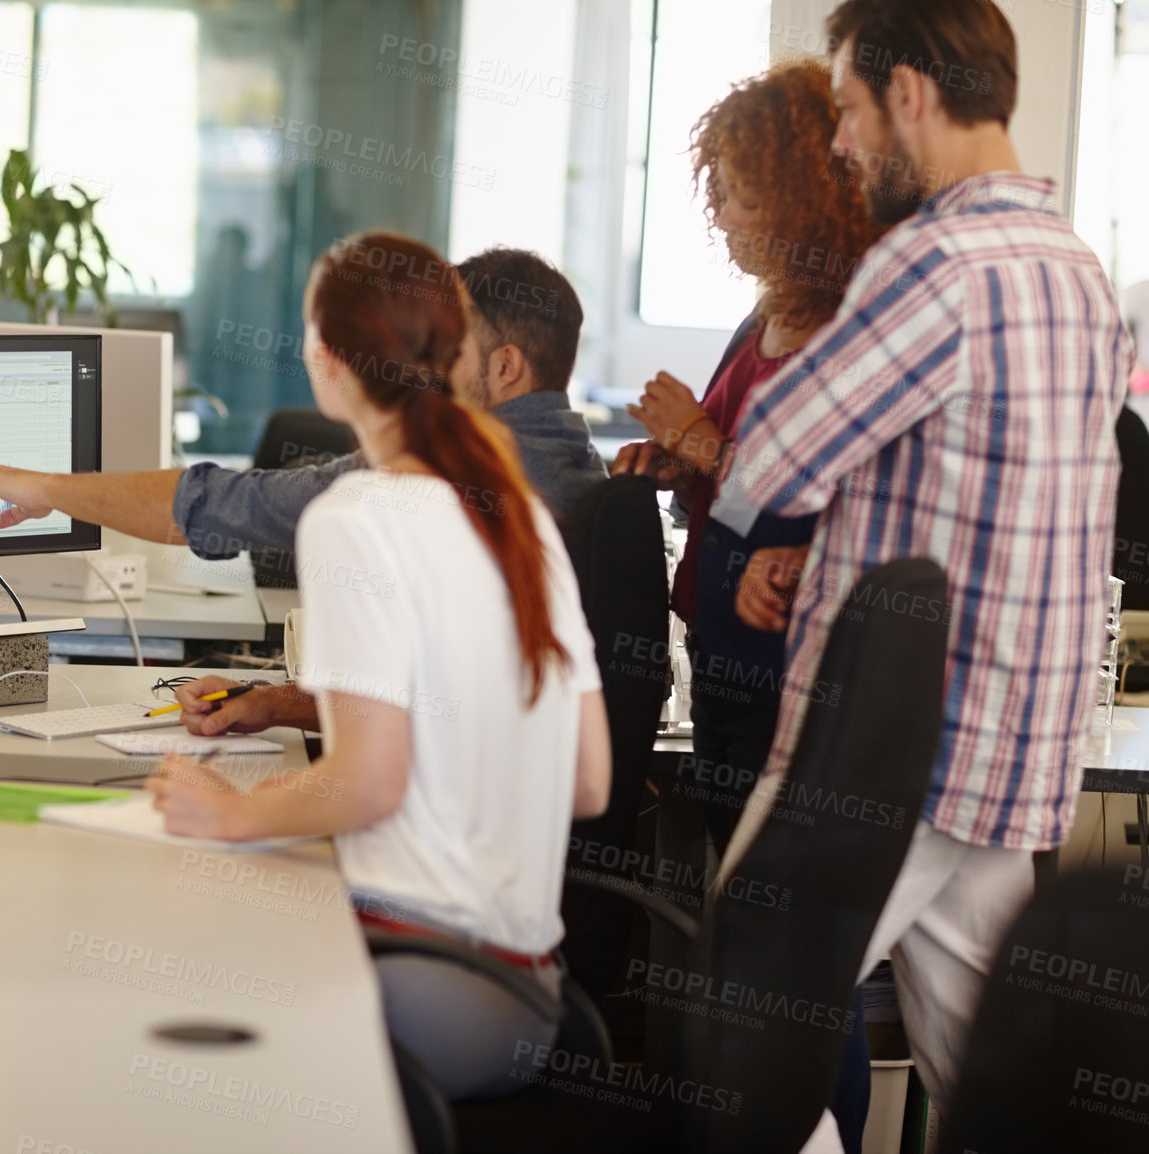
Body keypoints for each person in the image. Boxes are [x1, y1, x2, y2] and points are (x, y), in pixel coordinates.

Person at [688, 1, 1131, 1138]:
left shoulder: (936, 259)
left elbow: (772, 456)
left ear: (910, 95)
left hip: (890, 746)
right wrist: (819, 540)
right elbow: (981, 486)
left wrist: (774, 512)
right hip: (1013, 739)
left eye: (844, 108)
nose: (837, 143)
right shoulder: (1073, 267)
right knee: (1003, 1070)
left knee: (742, 1026)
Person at [143, 231, 612, 1102]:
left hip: (428, 990)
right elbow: (587, 782)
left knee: (163, 977)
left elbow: (370, 781)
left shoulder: (355, 517)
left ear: (329, 362)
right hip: (531, 997)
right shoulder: (521, 517)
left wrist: (234, 811)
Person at [0, 247, 605, 734]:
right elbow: (445, 711)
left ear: (504, 366)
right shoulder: (589, 474)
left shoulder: (436, 480)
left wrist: (46, 487)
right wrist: (275, 702)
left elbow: (222, 506)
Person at [614, 59, 891, 1154]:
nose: (721, 215)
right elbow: (734, 487)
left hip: (793, 679)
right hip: (723, 662)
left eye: (736, 188)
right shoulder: (758, 322)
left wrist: (701, 443)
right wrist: (672, 461)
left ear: (800, 191)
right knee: (747, 953)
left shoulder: (853, 335)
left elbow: (830, 510)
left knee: (795, 960)